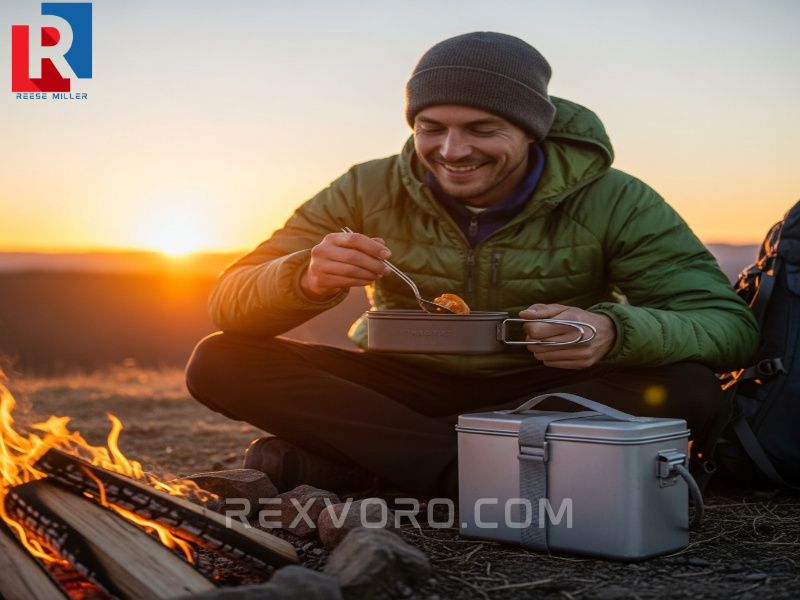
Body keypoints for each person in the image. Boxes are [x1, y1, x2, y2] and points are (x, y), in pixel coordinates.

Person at [185, 32, 759, 498]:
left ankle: (375, 466)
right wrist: (303, 277)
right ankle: (472, 473)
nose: (452, 151)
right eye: (430, 128)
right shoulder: (365, 187)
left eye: (482, 130)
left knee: (690, 388)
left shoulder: (615, 198)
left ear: (531, 130)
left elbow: (727, 325)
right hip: (399, 386)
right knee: (219, 360)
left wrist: (613, 330)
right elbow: (228, 300)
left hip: (544, 389)